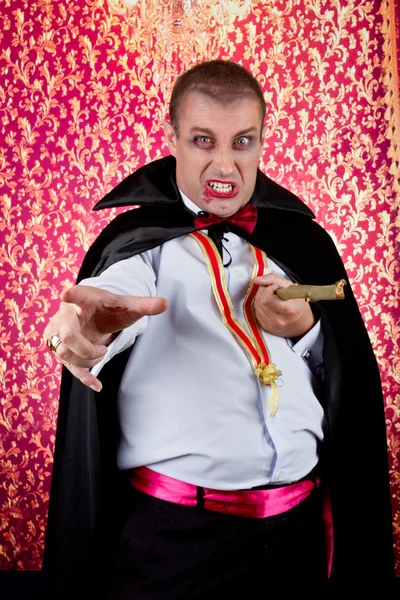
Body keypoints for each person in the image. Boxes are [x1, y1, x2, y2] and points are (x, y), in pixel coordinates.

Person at [42, 60, 394, 598]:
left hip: (301, 535)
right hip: (176, 542)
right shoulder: (139, 245)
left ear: (261, 141)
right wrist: (97, 327)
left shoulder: (304, 242)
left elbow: (346, 378)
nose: (224, 163)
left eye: (243, 141)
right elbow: (114, 298)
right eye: (203, 140)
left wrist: (306, 330)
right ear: (173, 137)